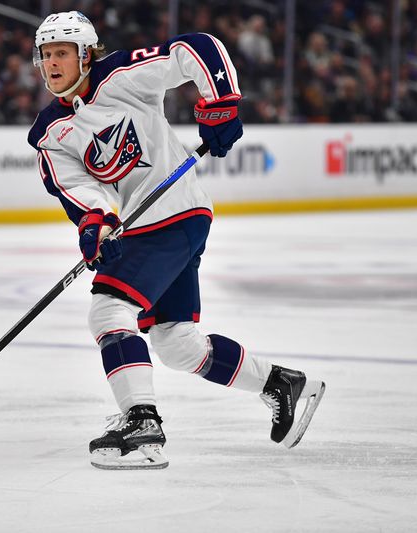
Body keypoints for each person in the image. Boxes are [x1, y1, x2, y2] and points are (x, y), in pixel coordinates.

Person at [27, 11, 325, 470]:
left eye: (62, 52)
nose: (52, 63)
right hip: (152, 227)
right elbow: (79, 188)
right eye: (46, 55)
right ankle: (279, 384)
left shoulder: (121, 75)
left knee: (109, 309)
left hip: (174, 213)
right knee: (176, 342)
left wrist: (219, 102)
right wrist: (96, 222)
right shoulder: (50, 132)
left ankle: (141, 420)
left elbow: (197, 48)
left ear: (87, 55)